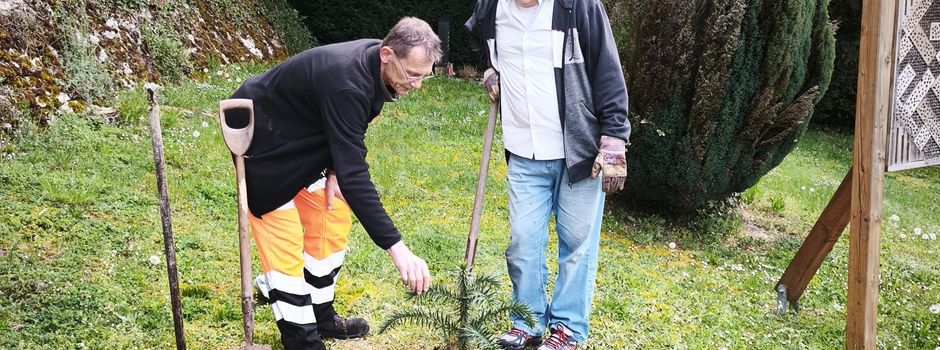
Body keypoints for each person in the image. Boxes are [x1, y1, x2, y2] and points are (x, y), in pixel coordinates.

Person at [229, 17, 442, 350]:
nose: (416, 84)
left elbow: (346, 128)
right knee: (283, 240)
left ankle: (320, 312)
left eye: (423, 76)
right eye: (412, 74)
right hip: (262, 139)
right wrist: (397, 248)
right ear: (387, 53)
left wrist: (333, 171)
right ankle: (301, 338)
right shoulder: (348, 80)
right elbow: (356, 174)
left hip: (304, 140)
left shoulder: (377, 67)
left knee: (332, 215)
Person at [466, 0, 630, 349]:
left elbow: (607, 69)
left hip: (580, 152)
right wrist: (490, 70)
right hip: (524, 151)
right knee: (523, 242)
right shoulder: (491, 9)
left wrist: (614, 137)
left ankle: (567, 329)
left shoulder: (579, 7)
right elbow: (481, 41)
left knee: (576, 245)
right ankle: (527, 321)